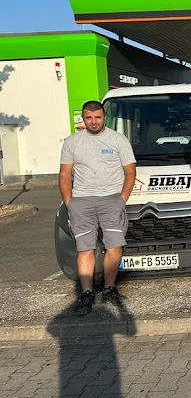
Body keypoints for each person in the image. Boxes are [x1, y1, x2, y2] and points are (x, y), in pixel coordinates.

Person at [59, 101, 136, 316]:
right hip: (82, 201)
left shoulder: (118, 140)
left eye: (98, 117)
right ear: (83, 118)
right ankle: (87, 293)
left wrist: (121, 200)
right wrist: (70, 203)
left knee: (115, 246)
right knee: (85, 248)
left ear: (104, 117)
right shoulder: (72, 142)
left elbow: (130, 171)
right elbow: (64, 174)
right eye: (89, 118)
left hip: (111, 200)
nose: (93, 122)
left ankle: (110, 288)